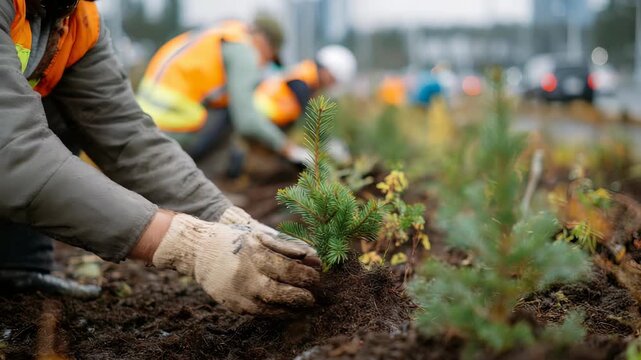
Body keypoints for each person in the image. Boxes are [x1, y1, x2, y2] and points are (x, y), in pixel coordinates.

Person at [0, 0, 319, 316]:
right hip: (182, 124)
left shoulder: (76, 20)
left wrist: (233, 223)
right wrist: (188, 245)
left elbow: (126, 135)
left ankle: (17, 267)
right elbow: (12, 148)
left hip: (167, 127)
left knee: (57, 108)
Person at [137, 15, 311, 167]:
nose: (265, 64)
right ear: (265, 42)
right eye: (270, 57)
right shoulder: (244, 53)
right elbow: (247, 121)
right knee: (229, 113)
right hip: (169, 126)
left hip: (143, 117)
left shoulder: (226, 32)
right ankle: (199, 177)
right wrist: (286, 148)